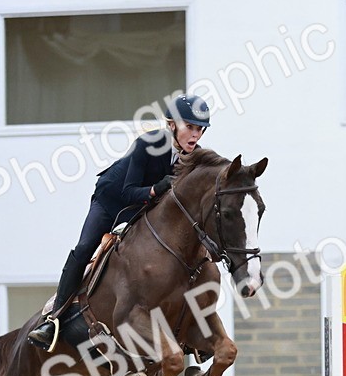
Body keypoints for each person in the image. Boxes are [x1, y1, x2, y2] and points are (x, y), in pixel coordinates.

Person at [27, 93, 212, 350]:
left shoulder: (195, 157)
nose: (195, 135)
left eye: (200, 129)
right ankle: (53, 320)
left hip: (145, 210)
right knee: (84, 248)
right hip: (112, 201)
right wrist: (155, 190)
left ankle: (187, 332)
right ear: (171, 124)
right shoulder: (148, 143)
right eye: (189, 127)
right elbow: (128, 191)